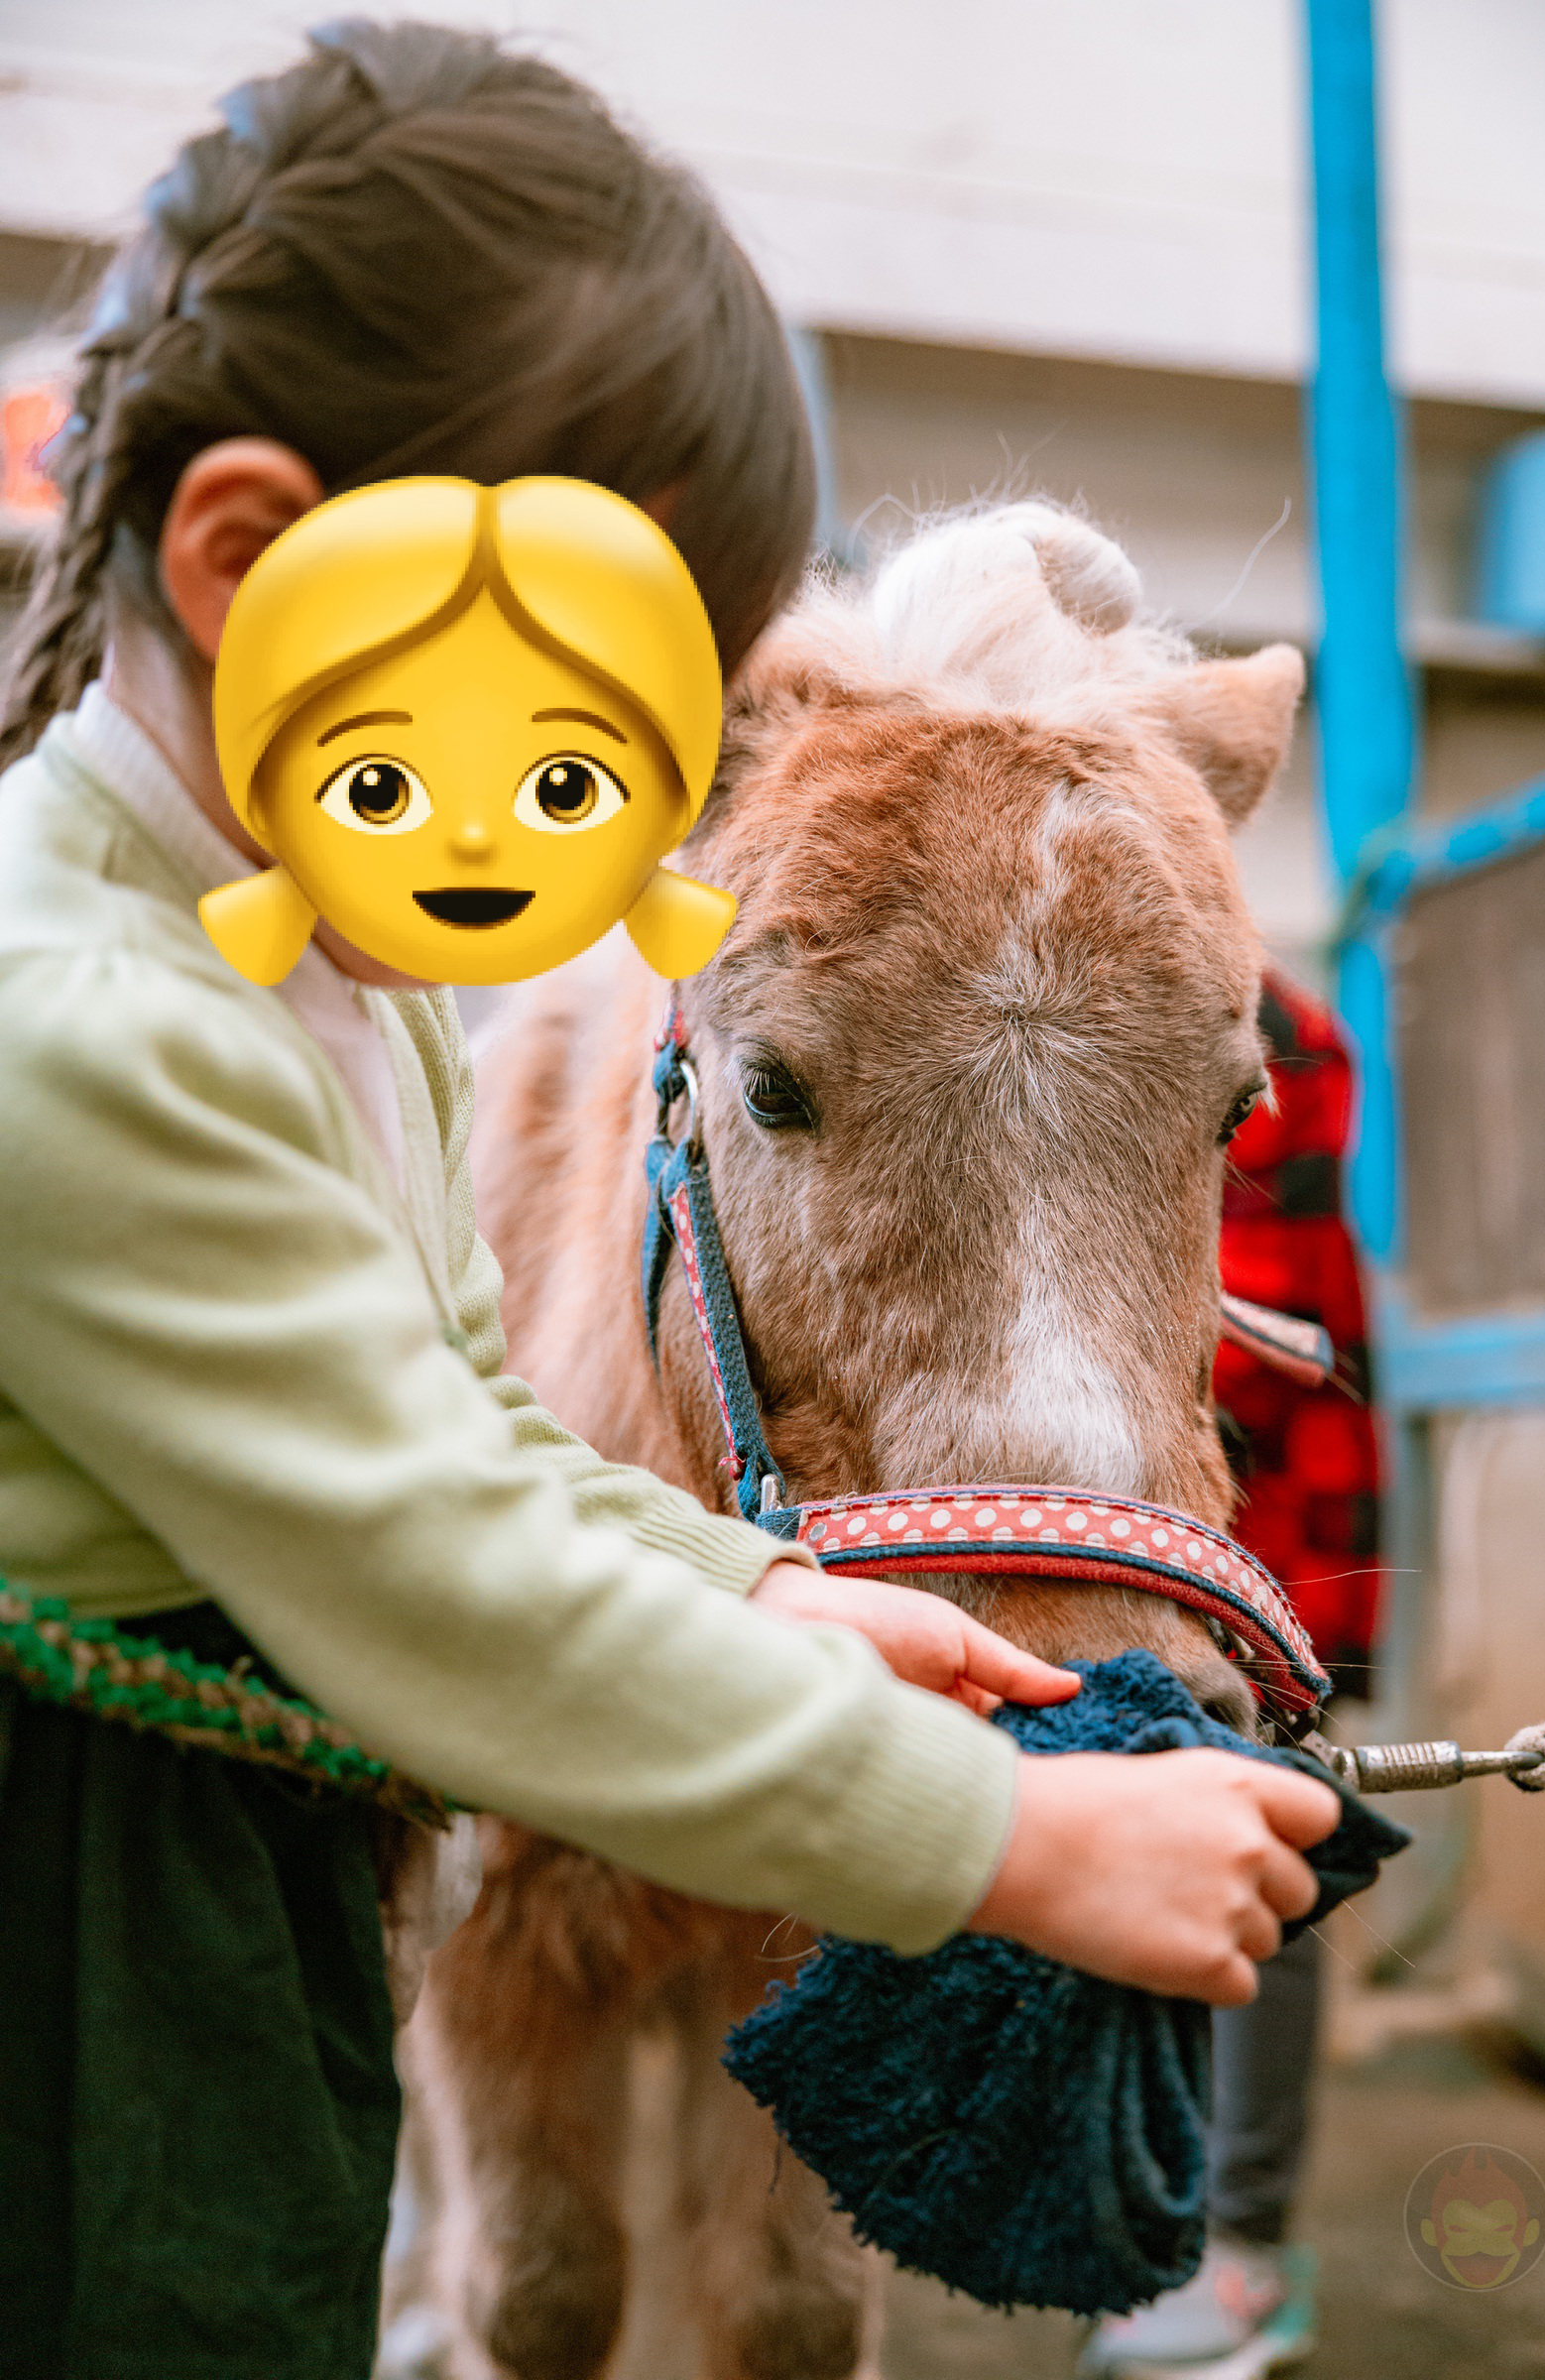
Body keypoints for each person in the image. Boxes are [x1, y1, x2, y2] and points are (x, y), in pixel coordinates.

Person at [0, 24, 1336, 2376]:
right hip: (89, 1931)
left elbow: (480, 1434)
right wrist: (1003, 1845)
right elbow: (437, 1587)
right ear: (244, 567)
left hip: (244, 1886)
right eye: (592, 729)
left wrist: (780, 1585)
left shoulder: (338, 969)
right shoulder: (94, 1037)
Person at [1081, 970, 1380, 2378]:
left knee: (1270, 1839)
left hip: (1260, 1519)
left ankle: (1242, 2238)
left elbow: (1264, 1309)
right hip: (1093, 1518)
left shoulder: (1266, 1024)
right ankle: (1141, 2222)